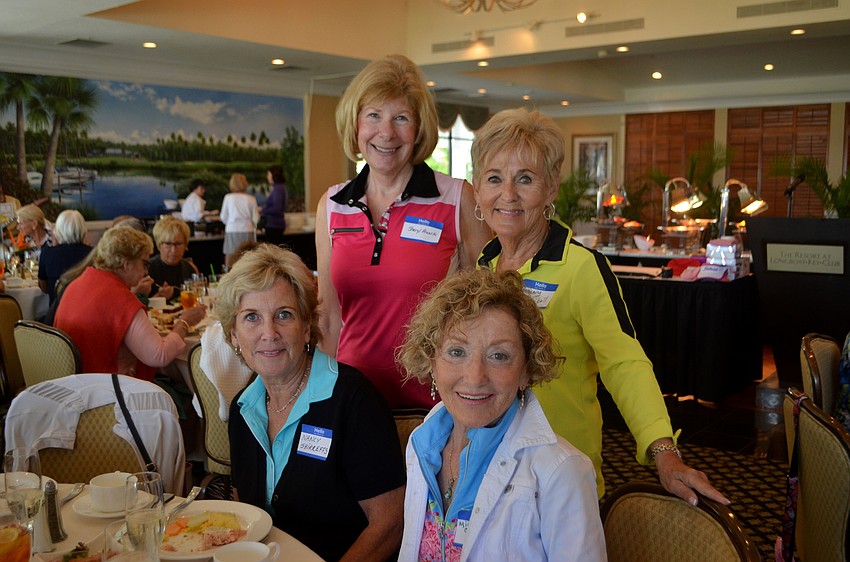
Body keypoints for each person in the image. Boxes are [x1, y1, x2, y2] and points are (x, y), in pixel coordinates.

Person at [471, 107, 729, 505]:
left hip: (559, 476)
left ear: (551, 188)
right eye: (494, 178)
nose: (508, 194)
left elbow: (624, 363)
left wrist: (663, 450)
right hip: (490, 469)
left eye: (525, 178)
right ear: (477, 189)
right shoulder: (482, 267)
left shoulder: (582, 268)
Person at [316, 54, 492, 409]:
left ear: (419, 129)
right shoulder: (333, 205)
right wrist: (321, 401)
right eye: (373, 115)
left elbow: (487, 308)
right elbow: (329, 318)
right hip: (352, 399)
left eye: (401, 118)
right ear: (355, 124)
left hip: (435, 403)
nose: (386, 133)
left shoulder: (456, 198)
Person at [397, 269, 606, 561]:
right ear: (432, 362)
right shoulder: (421, 445)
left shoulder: (562, 472)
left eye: (499, 356)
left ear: (526, 371)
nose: (475, 377)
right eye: (457, 352)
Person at [220, 244, 405, 562]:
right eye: (251, 317)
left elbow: (389, 523)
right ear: (234, 335)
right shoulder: (242, 409)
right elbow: (245, 508)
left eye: (284, 315)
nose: (269, 333)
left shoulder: (353, 401)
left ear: (307, 327)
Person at [54, 226, 205, 381]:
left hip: (71, 382)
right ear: (126, 264)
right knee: (183, 386)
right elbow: (160, 355)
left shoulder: (78, 283)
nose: (146, 271)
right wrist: (184, 323)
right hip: (106, 387)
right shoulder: (120, 298)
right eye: (144, 264)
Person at [38, 209, 91, 304]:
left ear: (58, 231)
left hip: (58, 310)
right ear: (83, 229)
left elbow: (44, 287)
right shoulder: (93, 254)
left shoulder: (48, 253)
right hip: (86, 309)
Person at [149, 216, 199, 301]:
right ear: (159, 245)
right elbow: (139, 306)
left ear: (185, 245)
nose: (173, 250)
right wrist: (160, 296)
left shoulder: (189, 268)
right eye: (168, 244)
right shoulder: (147, 269)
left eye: (178, 244)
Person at [220, 173, 258, 270]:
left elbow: (223, 217)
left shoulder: (228, 197)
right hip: (248, 229)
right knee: (249, 258)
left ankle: (229, 276)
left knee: (230, 257)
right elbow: (256, 219)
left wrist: (230, 223)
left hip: (232, 229)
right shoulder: (251, 198)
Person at [261, 165, 288, 245]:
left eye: (268, 174)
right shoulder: (279, 188)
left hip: (274, 226)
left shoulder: (278, 189)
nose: (267, 177)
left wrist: (263, 210)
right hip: (275, 225)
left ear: (274, 175)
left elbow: (277, 208)